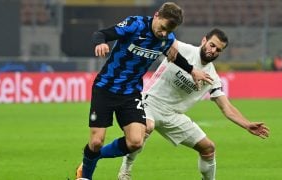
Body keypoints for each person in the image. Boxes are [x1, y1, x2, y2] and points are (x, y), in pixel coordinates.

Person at [75, 2, 213, 180]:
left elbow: (174, 56)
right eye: (163, 27)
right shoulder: (135, 25)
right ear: (157, 15)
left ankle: (94, 158)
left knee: (135, 142)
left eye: (168, 31)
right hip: (105, 88)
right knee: (95, 142)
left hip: (130, 93)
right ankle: (85, 175)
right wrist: (101, 43)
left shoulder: (167, 39)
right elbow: (101, 33)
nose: (164, 33)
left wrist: (192, 70)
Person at [117, 28, 270, 180]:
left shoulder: (212, 78)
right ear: (204, 40)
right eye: (212, 45)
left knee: (208, 148)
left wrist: (247, 124)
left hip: (173, 115)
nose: (213, 51)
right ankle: (125, 171)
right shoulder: (181, 49)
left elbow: (226, 107)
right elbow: (161, 40)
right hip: (150, 102)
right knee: (147, 127)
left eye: (218, 50)